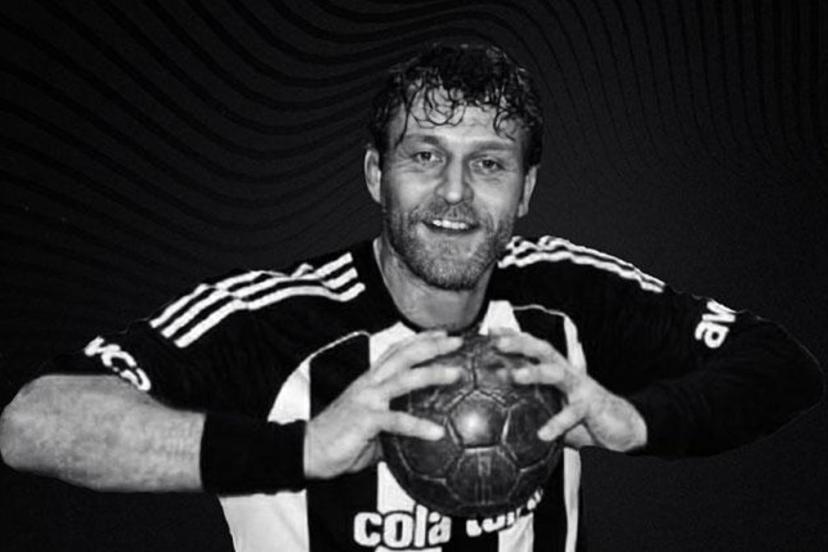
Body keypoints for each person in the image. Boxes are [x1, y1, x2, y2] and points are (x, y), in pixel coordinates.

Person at [0, 42, 821, 552]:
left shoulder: (565, 294)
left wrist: (633, 420)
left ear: (527, 190)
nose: (454, 193)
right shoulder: (274, 319)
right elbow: (34, 421)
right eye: (424, 156)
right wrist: (299, 451)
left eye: (489, 164)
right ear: (375, 173)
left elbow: (782, 363)